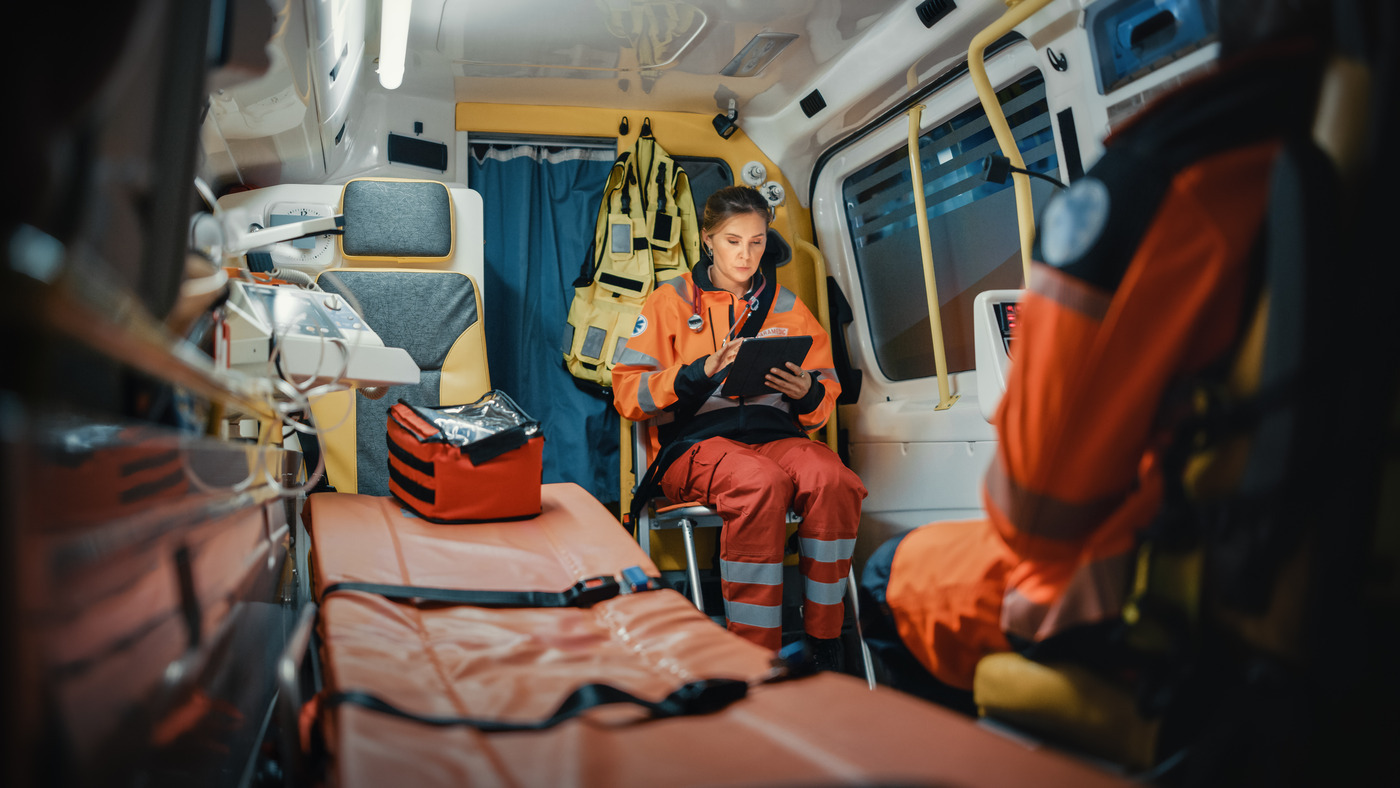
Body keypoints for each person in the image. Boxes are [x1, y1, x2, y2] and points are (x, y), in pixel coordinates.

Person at [859, 5, 1329, 713]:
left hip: (1167, 581)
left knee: (889, 575)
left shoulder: (1172, 175)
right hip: (1319, 569)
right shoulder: (1341, 149)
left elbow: (1038, 517)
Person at [613, 185, 866, 665]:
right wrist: (698, 372)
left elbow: (824, 395)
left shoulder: (788, 306)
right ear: (708, 239)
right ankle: (754, 656)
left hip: (773, 435)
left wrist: (805, 392)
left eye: (756, 241)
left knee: (834, 479)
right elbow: (628, 393)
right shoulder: (670, 302)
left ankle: (825, 640)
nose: (746, 255)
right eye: (733, 241)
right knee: (759, 482)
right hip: (693, 445)